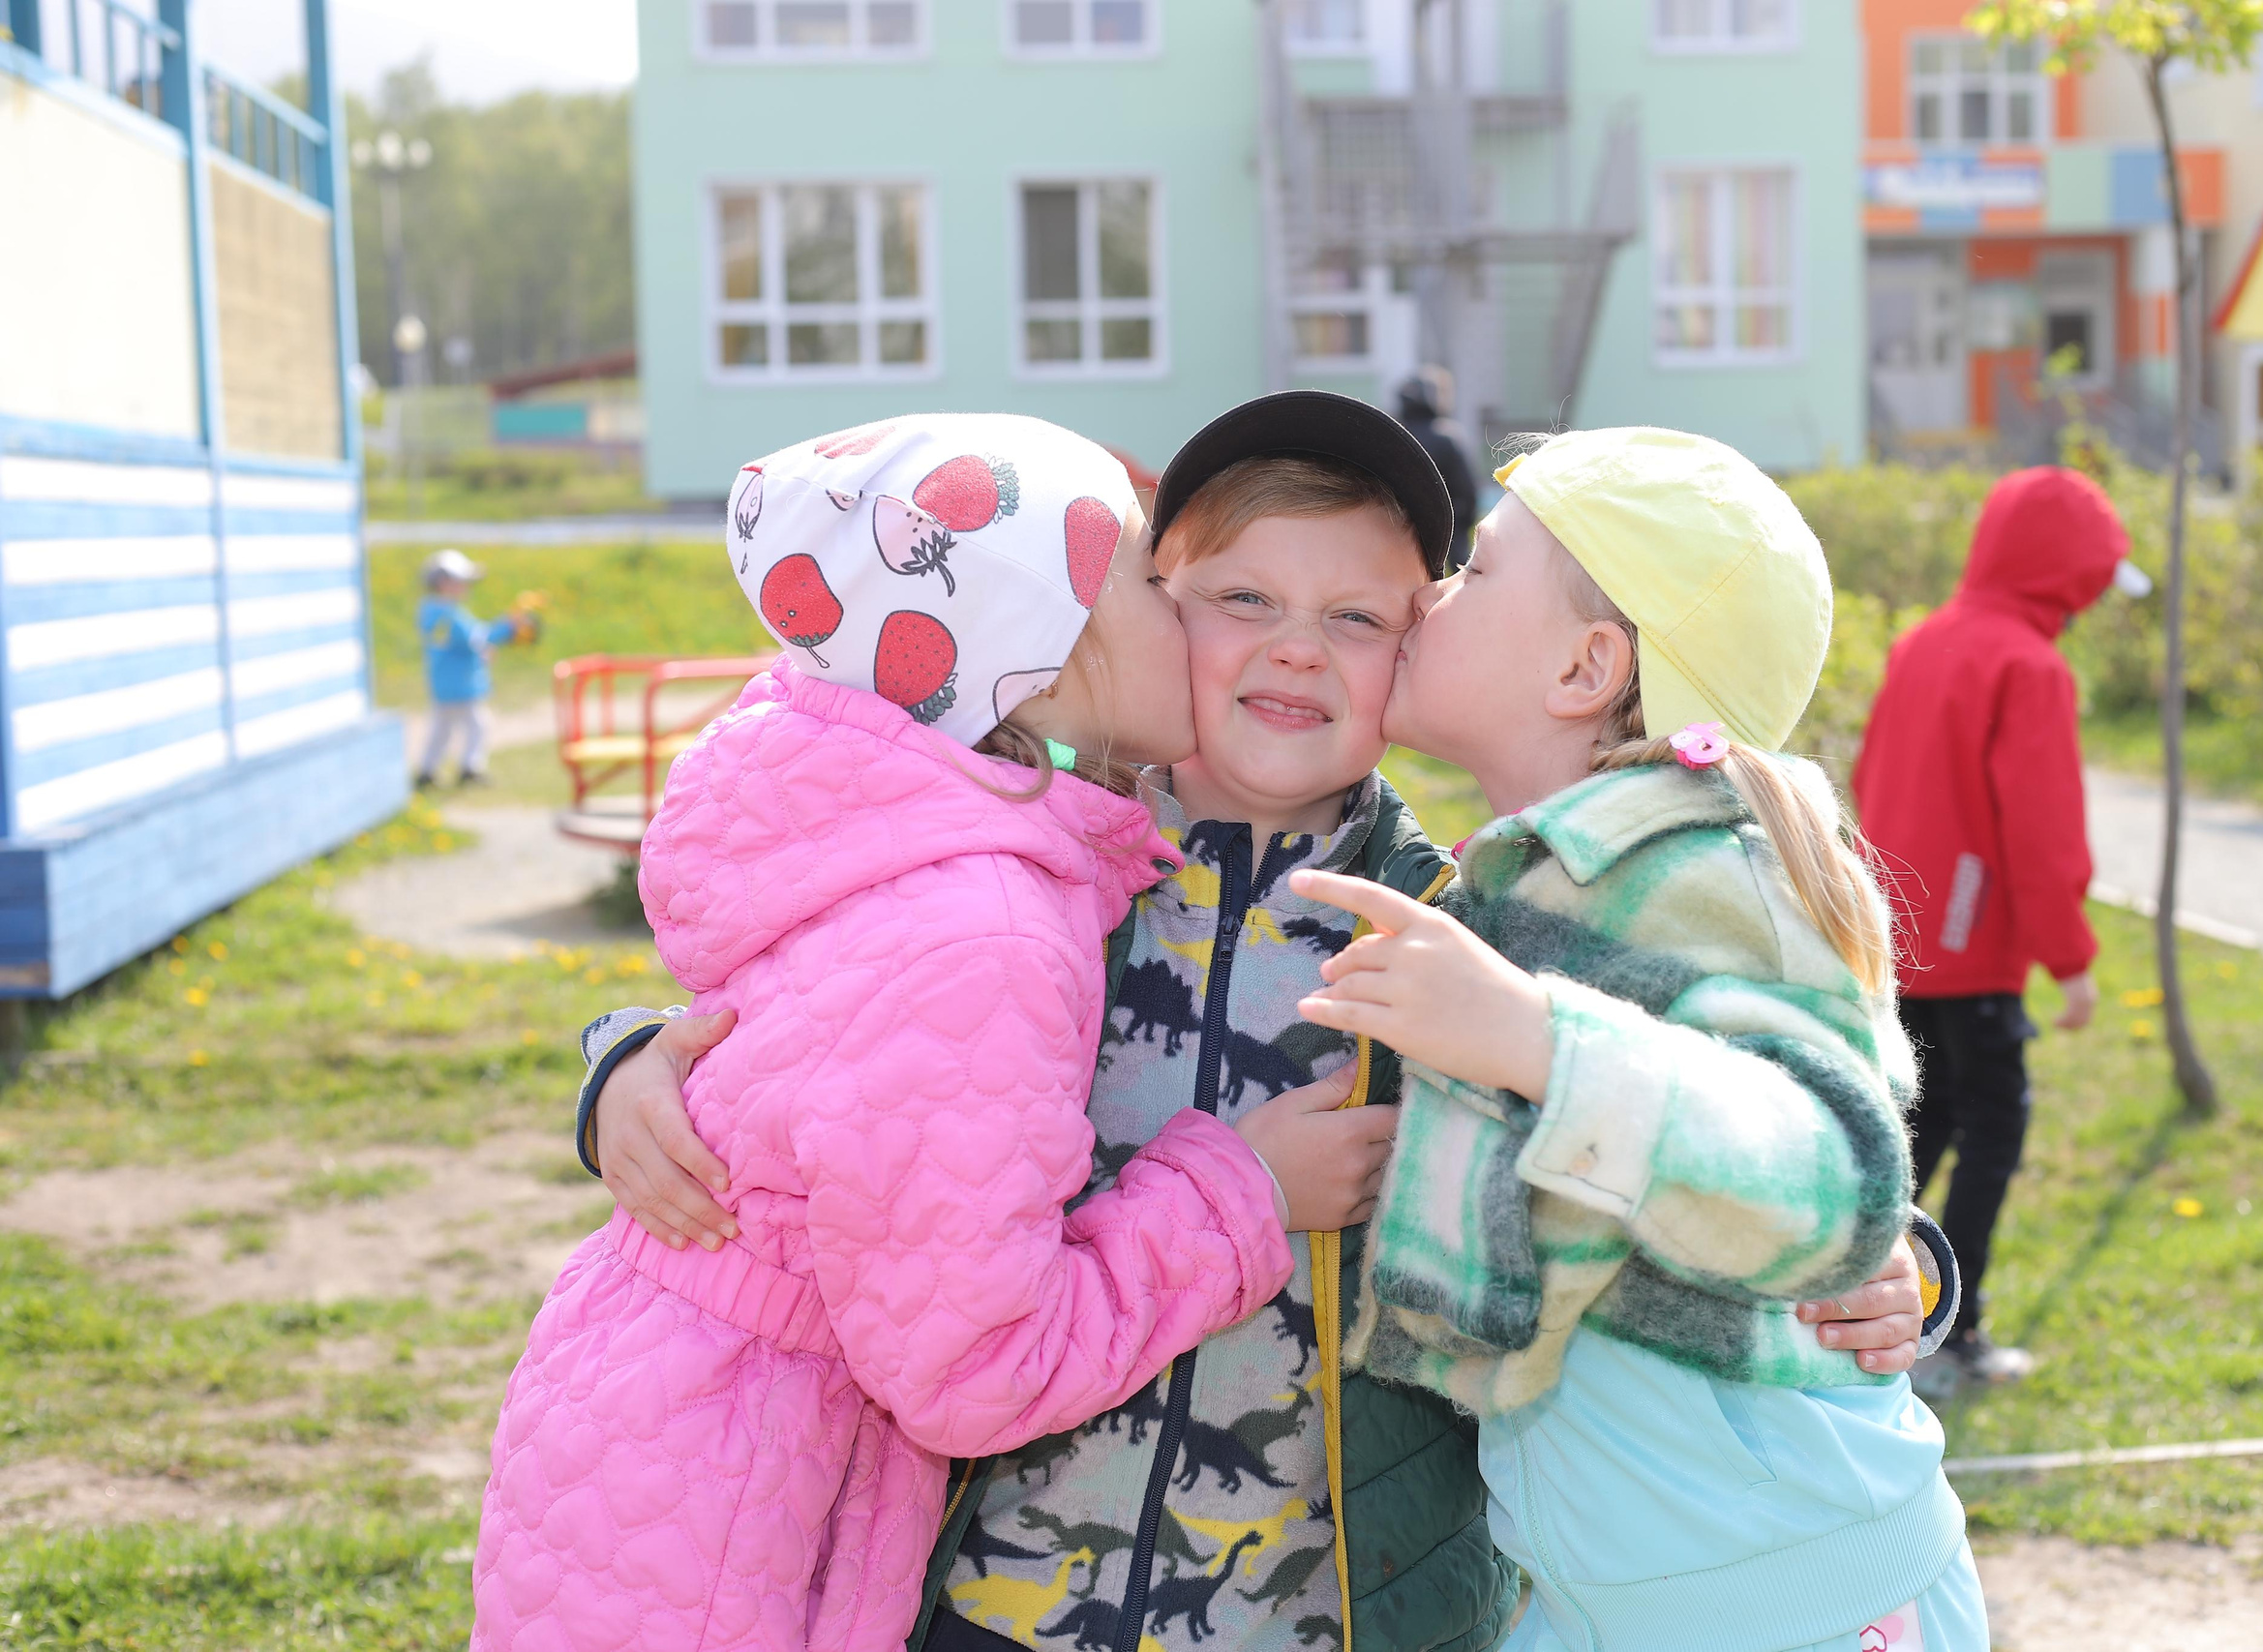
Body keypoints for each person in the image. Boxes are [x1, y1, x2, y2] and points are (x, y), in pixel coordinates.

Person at [570, 395, 1936, 1652]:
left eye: (1361, 616)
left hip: (1335, 1608)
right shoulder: (1023, 879)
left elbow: (1708, 1113)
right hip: (990, 1593)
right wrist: (636, 1060)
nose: (1295, 645)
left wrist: (1895, 1266)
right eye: (1239, 596)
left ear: (1418, 653)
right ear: (1145, 610)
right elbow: (819, 1041)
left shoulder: (1462, 940)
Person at [471, 415, 1319, 1652]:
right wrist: (1239, 1193)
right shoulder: (987, 933)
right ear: (1040, 647)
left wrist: (622, 1056)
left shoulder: (901, 831)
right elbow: (975, 1367)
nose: (1186, 615)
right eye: (1147, 580)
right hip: (737, 1517)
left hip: (656, 1437)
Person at [1295, 426, 1983, 1652]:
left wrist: (1538, 1043)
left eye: (1474, 571)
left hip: (1787, 1605)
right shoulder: (1524, 886)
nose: (1423, 595)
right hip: (1603, 1592)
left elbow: (1830, 1172)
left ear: (1586, 667)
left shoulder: (1707, 875)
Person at [1852, 466, 2140, 1388]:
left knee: (1915, 1122)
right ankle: (1953, 1326)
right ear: (2067, 575)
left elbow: (1871, 773)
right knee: (1992, 1123)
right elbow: (2042, 829)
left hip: (1901, 930)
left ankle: (1855, 1291)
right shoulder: (2030, 665)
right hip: (1972, 946)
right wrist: (2072, 958)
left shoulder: (1926, 641)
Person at [415, 548, 530, 788]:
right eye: (462, 581)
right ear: (445, 582)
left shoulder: (430, 612)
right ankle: (470, 768)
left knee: (442, 729)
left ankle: (427, 770)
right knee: (478, 725)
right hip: (461, 684)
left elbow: (461, 643)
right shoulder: (449, 614)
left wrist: (481, 647)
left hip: (442, 683)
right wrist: (508, 628)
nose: (467, 587)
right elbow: (477, 638)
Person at [1397, 368, 1478, 567]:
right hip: (1448, 521)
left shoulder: (1394, 434)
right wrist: (1463, 520)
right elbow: (1466, 490)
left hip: (1401, 524)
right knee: (1461, 576)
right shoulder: (1447, 436)